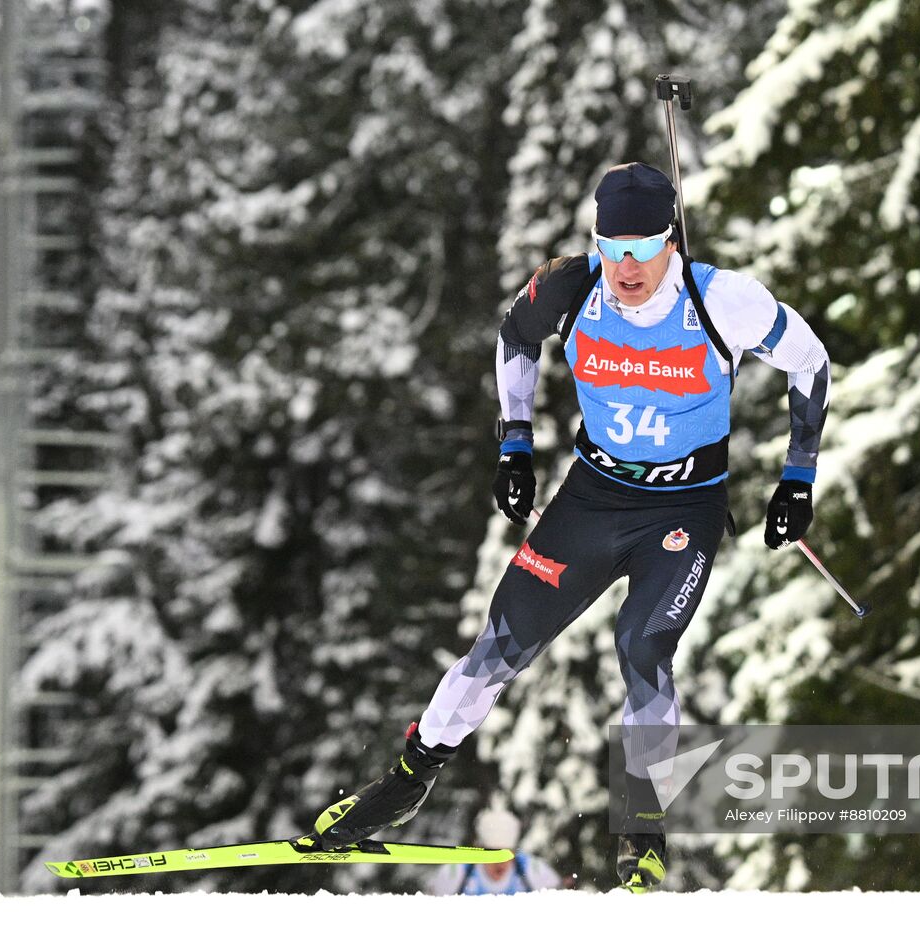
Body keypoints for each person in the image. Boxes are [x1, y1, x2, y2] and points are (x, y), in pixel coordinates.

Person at [295, 162, 832, 892]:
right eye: (613, 249)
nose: (627, 267)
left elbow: (809, 359)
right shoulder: (570, 287)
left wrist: (797, 477)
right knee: (498, 643)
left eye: (643, 248)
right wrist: (514, 442)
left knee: (644, 645)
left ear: (671, 241)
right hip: (592, 497)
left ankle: (643, 832)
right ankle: (407, 778)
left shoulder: (723, 300)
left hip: (683, 509)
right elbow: (515, 338)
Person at [426, 805, 562, 895]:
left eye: (505, 854)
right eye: (491, 854)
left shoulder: (533, 870)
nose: (499, 862)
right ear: (478, 849)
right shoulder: (455, 873)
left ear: (514, 852)